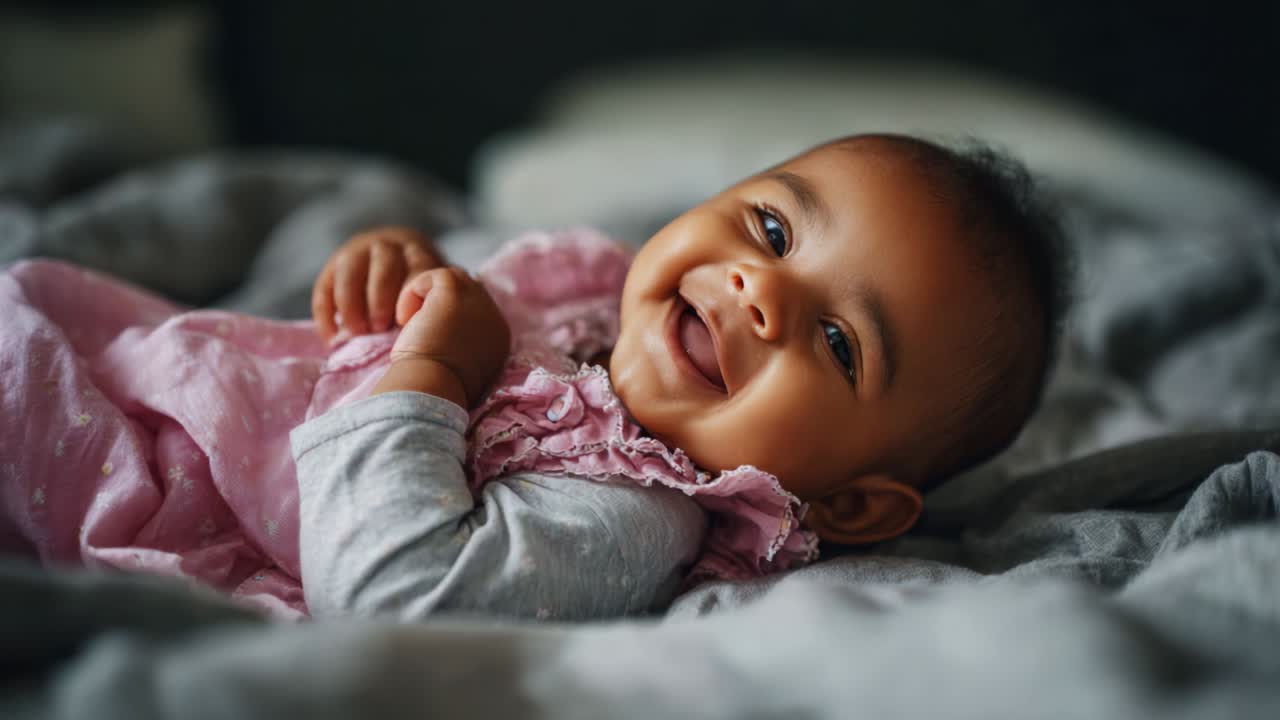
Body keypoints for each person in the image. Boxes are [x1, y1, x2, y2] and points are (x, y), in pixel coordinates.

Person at [0, 134, 1069, 621]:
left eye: (839, 343)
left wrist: (428, 372)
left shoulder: (628, 512)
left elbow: (390, 595)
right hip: (137, 376)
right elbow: (450, 308)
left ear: (846, 504)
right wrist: (399, 275)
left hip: (119, 479)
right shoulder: (591, 303)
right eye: (773, 225)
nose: (759, 291)